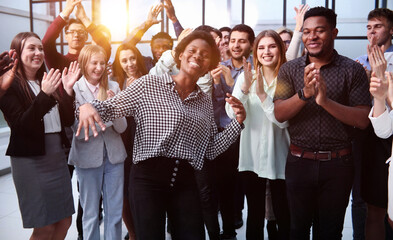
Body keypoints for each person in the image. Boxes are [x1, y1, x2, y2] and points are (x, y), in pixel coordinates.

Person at [76, 30, 246, 240]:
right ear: (180, 54)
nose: (198, 56)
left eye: (205, 54)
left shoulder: (203, 101)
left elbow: (209, 149)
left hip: (186, 181)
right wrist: (84, 107)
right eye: (192, 50)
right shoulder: (149, 84)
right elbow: (107, 109)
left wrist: (237, 124)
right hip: (147, 179)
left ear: (210, 63)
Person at [274, 7, 371, 239]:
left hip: (338, 165)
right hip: (298, 163)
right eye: (307, 32)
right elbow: (279, 113)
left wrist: (325, 101)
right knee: (296, 231)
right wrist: (305, 94)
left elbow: (362, 119)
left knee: (329, 232)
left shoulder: (353, 70)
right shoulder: (288, 69)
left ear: (334, 32)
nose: (312, 37)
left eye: (320, 30)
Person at [0, 32, 78, 239]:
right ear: (17, 53)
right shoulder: (8, 86)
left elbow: (67, 121)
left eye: (40, 48)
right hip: (30, 161)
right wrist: (44, 95)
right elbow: (21, 126)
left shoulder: (47, 81)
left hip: (56, 158)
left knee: (64, 220)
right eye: (31, 48)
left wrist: (68, 91)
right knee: (45, 226)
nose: (38, 53)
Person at [225, 30, 291, 240]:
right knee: (254, 215)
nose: (266, 51)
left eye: (271, 46)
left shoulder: (288, 79)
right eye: (261, 47)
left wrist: (263, 96)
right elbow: (231, 113)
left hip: (281, 156)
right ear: (255, 51)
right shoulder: (248, 77)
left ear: (280, 49)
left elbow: (284, 121)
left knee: (283, 215)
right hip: (251, 157)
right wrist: (244, 88)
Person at [68, 45, 127, 240]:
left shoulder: (114, 87)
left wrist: (114, 108)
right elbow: (74, 126)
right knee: (90, 213)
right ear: (85, 63)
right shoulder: (73, 89)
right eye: (94, 63)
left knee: (115, 213)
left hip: (114, 157)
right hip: (86, 157)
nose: (99, 67)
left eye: (102, 63)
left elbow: (121, 127)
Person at [211, 23, 255, 240]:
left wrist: (230, 83)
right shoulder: (220, 65)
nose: (236, 45)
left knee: (248, 186)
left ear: (251, 44)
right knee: (224, 185)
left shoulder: (256, 69)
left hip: (248, 133)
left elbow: (243, 102)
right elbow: (215, 102)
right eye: (233, 40)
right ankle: (228, 230)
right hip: (223, 134)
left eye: (242, 41)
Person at [353, 8, 393, 240]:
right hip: (369, 136)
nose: (372, 31)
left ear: (390, 30)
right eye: (369, 27)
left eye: (377, 26)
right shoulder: (359, 63)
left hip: (390, 136)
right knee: (371, 204)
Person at [112, 43, 148, 240]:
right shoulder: (115, 83)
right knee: (123, 191)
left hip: (144, 140)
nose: (129, 64)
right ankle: (133, 233)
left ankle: (145, 230)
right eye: (124, 60)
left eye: (132, 58)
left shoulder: (150, 80)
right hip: (122, 142)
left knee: (142, 192)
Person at [42, 0, 111, 71]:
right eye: (72, 32)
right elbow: (46, 43)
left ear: (87, 37)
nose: (76, 35)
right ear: (66, 36)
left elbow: (105, 45)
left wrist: (84, 18)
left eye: (80, 32)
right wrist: (66, 11)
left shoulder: (95, 61)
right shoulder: (58, 61)